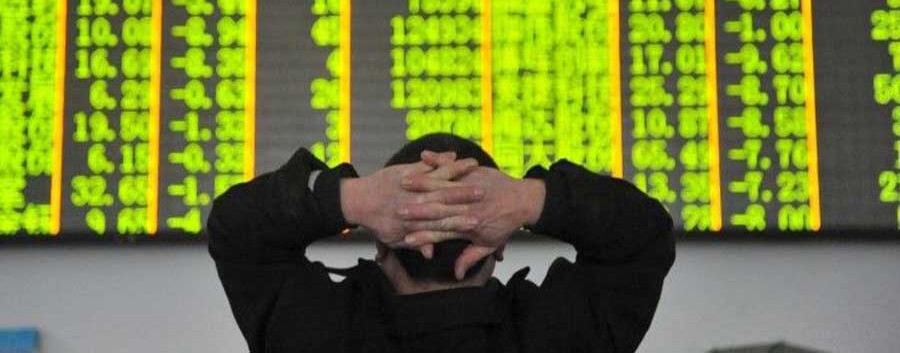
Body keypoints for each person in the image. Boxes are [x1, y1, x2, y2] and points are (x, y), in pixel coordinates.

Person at [208, 133, 675, 353]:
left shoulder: (315, 330)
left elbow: (235, 227)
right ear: (498, 243)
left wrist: (351, 197)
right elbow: (643, 234)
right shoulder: (559, 335)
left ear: (381, 241)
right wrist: (531, 198)